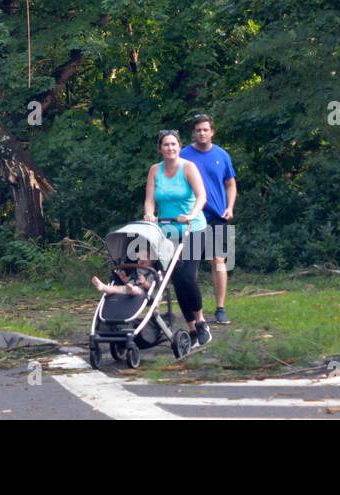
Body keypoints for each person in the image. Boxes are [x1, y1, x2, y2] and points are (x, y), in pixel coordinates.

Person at [145, 129, 212, 346]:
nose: (170, 148)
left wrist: (192, 213)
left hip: (193, 228)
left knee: (187, 276)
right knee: (176, 280)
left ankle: (201, 322)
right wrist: (149, 214)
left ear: (179, 146)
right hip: (167, 231)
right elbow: (149, 200)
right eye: (166, 145)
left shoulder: (188, 168)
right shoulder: (155, 170)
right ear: (160, 148)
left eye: (174, 144)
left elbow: (201, 195)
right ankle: (192, 329)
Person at [180, 113, 238, 324]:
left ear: (212, 132)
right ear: (193, 133)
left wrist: (230, 207)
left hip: (216, 216)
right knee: (190, 266)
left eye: (206, 129)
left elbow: (230, 184)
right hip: (193, 218)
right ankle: (196, 311)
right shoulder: (184, 155)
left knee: (218, 260)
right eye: (198, 130)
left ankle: (220, 308)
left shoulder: (222, 155)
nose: (202, 133)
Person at [91, 261, 155, 296]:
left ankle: (132, 290)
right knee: (117, 288)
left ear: (153, 261)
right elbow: (128, 281)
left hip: (142, 291)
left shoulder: (152, 273)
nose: (142, 259)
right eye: (140, 258)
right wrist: (123, 278)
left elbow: (152, 287)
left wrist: (144, 283)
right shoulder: (135, 270)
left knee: (135, 289)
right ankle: (103, 287)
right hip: (128, 287)